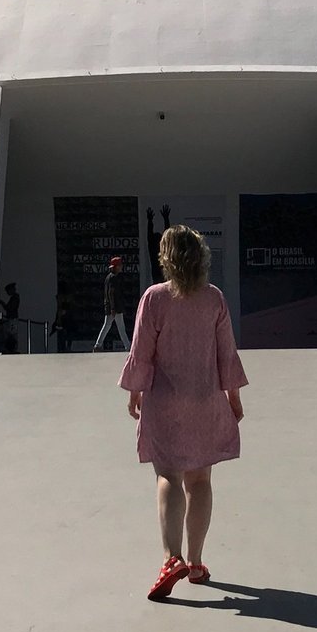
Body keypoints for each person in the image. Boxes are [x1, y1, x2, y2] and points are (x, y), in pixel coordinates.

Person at [119, 225, 248, 600]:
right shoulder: (214, 299)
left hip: (166, 401)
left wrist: (134, 392)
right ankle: (195, 562)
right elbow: (227, 353)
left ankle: (170, 558)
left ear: (166, 259)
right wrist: (234, 400)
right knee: (201, 481)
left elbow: (141, 351)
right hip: (206, 399)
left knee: (169, 477)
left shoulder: (155, 298)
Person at [91, 255, 134, 352]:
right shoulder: (113, 278)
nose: (121, 267)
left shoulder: (109, 277)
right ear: (116, 267)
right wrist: (113, 308)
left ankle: (98, 345)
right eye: (120, 265)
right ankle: (127, 347)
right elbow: (111, 293)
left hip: (112, 307)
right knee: (118, 327)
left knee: (109, 326)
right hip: (115, 308)